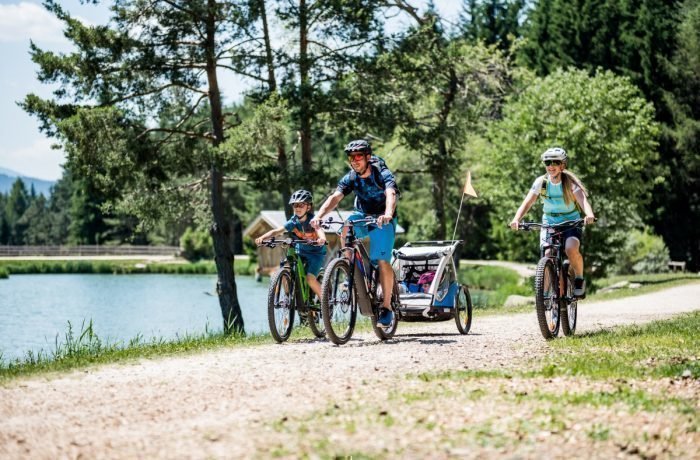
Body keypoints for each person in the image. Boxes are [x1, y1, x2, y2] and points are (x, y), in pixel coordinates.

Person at [311, 139, 399, 328]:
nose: (355, 160)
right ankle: (348, 267)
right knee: (346, 225)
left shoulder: (381, 172)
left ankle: (386, 308)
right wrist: (318, 215)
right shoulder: (351, 177)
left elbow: (391, 193)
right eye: (351, 157)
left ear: (368, 157)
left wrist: (388, 214)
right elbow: (335, 197)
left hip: (383, 219)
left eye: (359, 156)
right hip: (362, 215)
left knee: (382, 261)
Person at [509, 147, 595, 297]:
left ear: (563, 165)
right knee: (547, 254)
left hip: (571, 222)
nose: (551, 165)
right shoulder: (541, 182)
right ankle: (547, 296)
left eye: (555, 162)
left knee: (570, 248)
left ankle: (579, 280)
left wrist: (589, 214)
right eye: (547, 162)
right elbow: (527, 203)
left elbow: (583, 201)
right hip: (549, 222)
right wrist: (517, 219)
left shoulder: (570, 183)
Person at [255, 189, 326, 299]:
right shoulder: (293, 222)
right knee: (285, 267)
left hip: (315, 254)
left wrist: (322, 238)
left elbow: (319, 230)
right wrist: (262, 238)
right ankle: (289, 298)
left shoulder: (313, 221)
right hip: (300, 251)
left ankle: (326, 302)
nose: (297, 208)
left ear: (308, 207)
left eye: (301, 205)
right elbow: (277, 231)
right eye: (295, 205)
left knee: (310, 279)